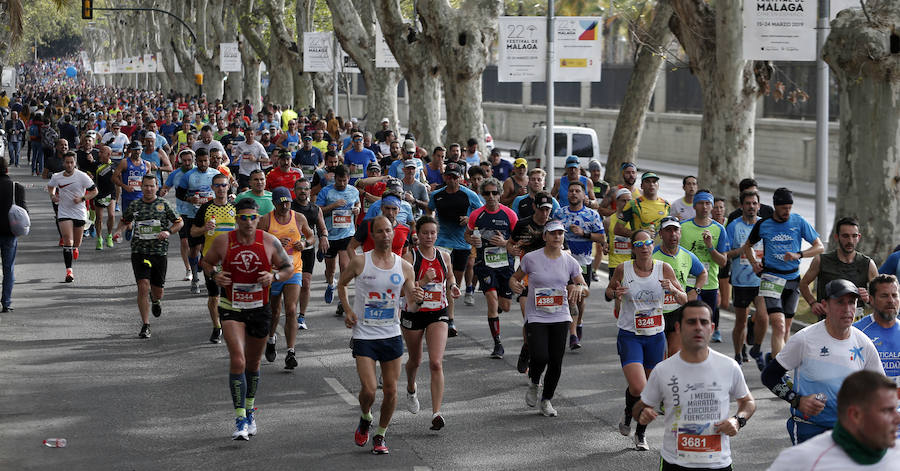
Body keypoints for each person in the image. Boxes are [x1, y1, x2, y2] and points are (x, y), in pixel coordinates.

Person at [200, 198, 295, 441]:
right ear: (237, 219)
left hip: (259, 308)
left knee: (253, 364)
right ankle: (240, 418)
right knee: (238, 360)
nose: (249, 222)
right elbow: (206, 262)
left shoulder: (269, 241)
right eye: (244, 218)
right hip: (231, 307)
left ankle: (250, 410)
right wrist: (215, 275)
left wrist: (274, 277)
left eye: (253, 217)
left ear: (257, 218)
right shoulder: (224, 241)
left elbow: (288, 268)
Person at [635, 300, 756, 469]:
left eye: (704, 322)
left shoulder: (729, 366)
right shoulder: (663, 370)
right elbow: (639, 408)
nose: (698, 327)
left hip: (718, 463)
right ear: (678, 328)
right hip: (675, 462)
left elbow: (748, 402)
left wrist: (738, 420)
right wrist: (642, 413)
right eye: (691, 322)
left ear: (711, 328)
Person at [339, 216, 424, 455]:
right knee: (368, 390)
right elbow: (342, 284)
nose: (385, 235)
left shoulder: (404, 267)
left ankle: (380, 434)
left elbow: (411, 304)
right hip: (364, 334)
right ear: (372, 235)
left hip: (391, 333)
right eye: (380, 231)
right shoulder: (360, 262)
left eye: (388, 231)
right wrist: (348, 310)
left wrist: (418, 300)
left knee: (391, 390)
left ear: (393, 234)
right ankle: (366, 416)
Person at [761, 279, 884, 444]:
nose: (847, 309)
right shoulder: (804, 339)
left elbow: (880, 389)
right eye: (840, 302)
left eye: (851, 302)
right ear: (825, 306)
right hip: (809, 428)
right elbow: (769, 376)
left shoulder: (864, 343)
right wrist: (797, 400)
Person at [606, 230, 687, 450]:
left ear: (653, 244)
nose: (644, 247)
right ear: (633, 248)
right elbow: (609, 291)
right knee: (638, 387)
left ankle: (640, 433)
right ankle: (628, 412)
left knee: (649, 390)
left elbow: (684, 299)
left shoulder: (664, 268)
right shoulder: (624, 269)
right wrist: (615, 293)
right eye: (639, 244)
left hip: (655, 337)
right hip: (630, 335)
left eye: (648, 243)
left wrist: (673, 289)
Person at [510, 219, 589, 417]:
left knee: (556, 361)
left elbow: (584, 286)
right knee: (540, 356)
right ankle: (534, 382)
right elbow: (515, 278)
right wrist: (514, 285)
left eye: (560, 233)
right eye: (553, 233)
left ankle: (546, 399)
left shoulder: (569, 261)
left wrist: (579, 288)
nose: (557, 236)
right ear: (545, 236)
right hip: (536, 315)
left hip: (560, 315)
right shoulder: (531, 258)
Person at [742, 187, 824, 365]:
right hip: (771, 277)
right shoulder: (764, 225)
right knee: (778, 325)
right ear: (775, 206)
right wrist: (754, 263)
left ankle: (774, 361)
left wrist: (799, 254)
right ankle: (779, 370)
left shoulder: (798, 221)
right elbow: (747, 246)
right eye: (784, 208)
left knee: (786, 329)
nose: (787, 211)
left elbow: (819, 246)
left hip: (793, 279)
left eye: (789, 207)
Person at [767, 370, 900, 470]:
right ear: (855, 415)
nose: (898, 418)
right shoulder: (801, 460)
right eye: (887, 410)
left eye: (896, 409)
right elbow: (769, 375)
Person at [401, 216, 461, 430]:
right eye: (425, 233)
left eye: (433, 233)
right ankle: (411, 388)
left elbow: (450, 276)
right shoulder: (410, 257)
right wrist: (424, 281)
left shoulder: (444, 256)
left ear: (437, 234)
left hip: (438, 312)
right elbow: (403, 291)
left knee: (436, 362)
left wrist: (453, 286)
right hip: (414, 312)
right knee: (415, 360)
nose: (429, 236)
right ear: (417, 234)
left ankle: (436, 412)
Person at [114, 175, 183, 339]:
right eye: (145, 186)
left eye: (152, 186)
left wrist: (168, 232)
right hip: (139, 251)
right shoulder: (135, 205)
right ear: (141, 186)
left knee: (158, 291)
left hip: (159, 252)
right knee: (143, 286)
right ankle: (146, 324)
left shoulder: (164, 204)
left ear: (157, 187)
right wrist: (118, 231)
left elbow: (179, 222)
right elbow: (124, 221)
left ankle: (156, 300)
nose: (149, 189)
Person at [259, 187, 314, 369]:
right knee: (274, 312)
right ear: (274, 203)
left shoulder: (299, 218)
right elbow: (256, 243)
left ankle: (291, 352)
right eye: (281, 203)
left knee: (291, 309)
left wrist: (304, 243)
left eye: (287, 202)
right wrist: (273, 243)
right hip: (273, 272)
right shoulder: (266, 220)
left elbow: (311, 236)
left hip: (293, 269)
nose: (284, 206)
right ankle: (271, 339)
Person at [465, 177, 519, 359]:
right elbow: (467, 234)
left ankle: (498, 310)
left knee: (505, 306)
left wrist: (505, 243)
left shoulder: (509, 215)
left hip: (505, 265)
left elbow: (518, 240)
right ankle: (498, 344)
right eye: (487, 193)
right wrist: (472, 240)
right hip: (484, 264)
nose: (491, 196)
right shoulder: (476, 215)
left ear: (500, 194)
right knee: (492, 300)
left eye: (494, 193)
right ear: (482, 194)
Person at [429, 161, 484, 332]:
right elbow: (429, 211)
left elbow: (482, 213)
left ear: (460, 178)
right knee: (446, 280)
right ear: (445, 177)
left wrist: (470, 220)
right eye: (449, 176)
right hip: (442, 243)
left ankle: (446, 311)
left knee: (454, 284)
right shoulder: (436, 195)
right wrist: (431, 228)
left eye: (454, 177)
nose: (451, 180)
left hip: (462, 244)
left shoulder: (469, 195)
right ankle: (448, 318)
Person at [553, 181, 607, 349]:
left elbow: (601, 238)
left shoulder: (592, 215)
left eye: (577, 191)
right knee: (570, 296)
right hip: (562, 261)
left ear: (584, 195)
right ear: (567, 194)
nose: (574, 193)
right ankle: (572, 333)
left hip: (583, 261)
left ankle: (579, 321)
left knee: (581, 297)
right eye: (571, 190)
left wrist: (584, 233)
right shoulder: (559, 213)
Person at [800, 217, 877, 322]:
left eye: (854, 236)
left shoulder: (867, 264)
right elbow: (803, 284)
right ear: (836, 237)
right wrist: (813, 303)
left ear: (859, 237)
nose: (850, 241)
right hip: (828, 322)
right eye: (845, 236)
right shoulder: (821, 260)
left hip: (855, 323)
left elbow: (879, 297)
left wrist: (868, 299)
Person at [679, 190, 730, 343]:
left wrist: (710, 246)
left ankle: (702, 353)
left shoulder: (719, 229)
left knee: (705, 326)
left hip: (710, 285)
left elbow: (723, 262)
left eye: (708, 203)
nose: (705, 207)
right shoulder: (683, 227)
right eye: (701, 203)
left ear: (712, 206)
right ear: (694, 206)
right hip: (687, 283)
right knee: (690, 321)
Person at [651, 217, 707, 357]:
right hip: (656, 311)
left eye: (676, 230)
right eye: (668, 230)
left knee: (674, 354)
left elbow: (703, 273)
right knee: (659, 356)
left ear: (680, 233)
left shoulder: (687, 255)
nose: (673, 234)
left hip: (677, 309)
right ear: (661, 234)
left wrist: (696, 290)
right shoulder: (652, 256)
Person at [190, 173, 236, 343]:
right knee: (214, 296)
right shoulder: (205, 208)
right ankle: (217, 327)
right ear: (212, 188)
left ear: (228, 187)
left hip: (232, 260)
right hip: (211, 259)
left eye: (224, 185)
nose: (221, 188)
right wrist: (204, 228)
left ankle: (230, 325)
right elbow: (193, 232)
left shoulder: (236, 208)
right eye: (217, 185)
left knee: (230, 295)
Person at [725, 190, 768, 367]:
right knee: (740, 322)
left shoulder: (765, 225)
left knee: (763, 316)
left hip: (761, 280)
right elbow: (725, 254)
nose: (751, 206)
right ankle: (737, 355)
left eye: (754, 203)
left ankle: (756, 347)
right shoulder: (733, 226)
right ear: (741, 206)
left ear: (759, 206)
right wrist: (742, 250)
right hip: (741, 281)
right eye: (748, 203)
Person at [48, 152, 98, 282]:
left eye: (71, 162)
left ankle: (75, 248)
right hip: (64, 211)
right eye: (67, 162)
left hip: (79, 212)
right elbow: (50, 186)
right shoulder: (57, 176)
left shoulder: (82, 176)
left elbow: (94, 191)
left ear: (75, 163)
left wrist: (82, 198)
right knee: (67, 241)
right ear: (63, 163)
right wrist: (53, 195)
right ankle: (69, 271)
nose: (69, 165)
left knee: (76, 243)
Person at [316, 164, 361, 309]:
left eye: (345, 180)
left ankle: (342, 299)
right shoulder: (326, 191)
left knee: (344, 266)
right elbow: (318, 211)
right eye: (339, 180)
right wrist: (333, 205)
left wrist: (357, 208)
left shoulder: (353, 190)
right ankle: (331, 284)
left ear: (348, 178)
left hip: (347, 233)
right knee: (330, 270)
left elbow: (357, 202)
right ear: (334, 178)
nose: (342, 183)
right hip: (330, 235)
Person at [177, 148, 220, 292]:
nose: (203, 164)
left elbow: (226, 192)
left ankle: (211, 279)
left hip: (212, 216)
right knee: (194, 249)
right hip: (193, 216)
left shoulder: (215, 174)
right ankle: (195, 278)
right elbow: (179, 194)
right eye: (200, 161)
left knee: (210, 249)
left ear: (209, 160)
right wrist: (189, 199)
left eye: (205, 161)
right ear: (196, 161)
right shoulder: (188, 176)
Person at [291, 178, 328, 330]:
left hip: (307, 250)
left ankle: (301, 316)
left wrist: (324, 237)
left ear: (310, 191)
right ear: (294, 191)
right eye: (300, 188)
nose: (303, 191)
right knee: (290, 284)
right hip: (290, 251)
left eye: (306, 189)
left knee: (305, 283)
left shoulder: (315, 209)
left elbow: (322, 228)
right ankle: (290, 312)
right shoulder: (289, 207)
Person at [853, 274, 900, 384]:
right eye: (884, 296)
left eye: (894, 295)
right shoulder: (857, 332)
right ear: (871, 300)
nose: (891, 300)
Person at [0, 158, 26, 312]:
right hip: (10, 233)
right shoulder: (17, 188)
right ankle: (6, 302)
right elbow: (24, 212)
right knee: (8, 268)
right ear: (7, 170)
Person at [617, 172, 670, 238]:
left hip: (660, 244)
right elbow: (618, 229)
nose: (651, 184)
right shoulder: (633, 204)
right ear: (641, 186)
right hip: (641, 243)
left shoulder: (666, 205)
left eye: (654, 182)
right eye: (647, 182)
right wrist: (640, 234)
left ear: (658, 185)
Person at [90, 146, 118, 250]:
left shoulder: (115, 164)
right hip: (99, 194)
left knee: (111, 215)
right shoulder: (95, 165)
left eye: (102, 152)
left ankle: (109, 235)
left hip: (111, 193)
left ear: (109, 154)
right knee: (99, 218)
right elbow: (90, 178)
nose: (99, 154)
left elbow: (119, 180)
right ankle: (99, 238)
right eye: (99, 152)